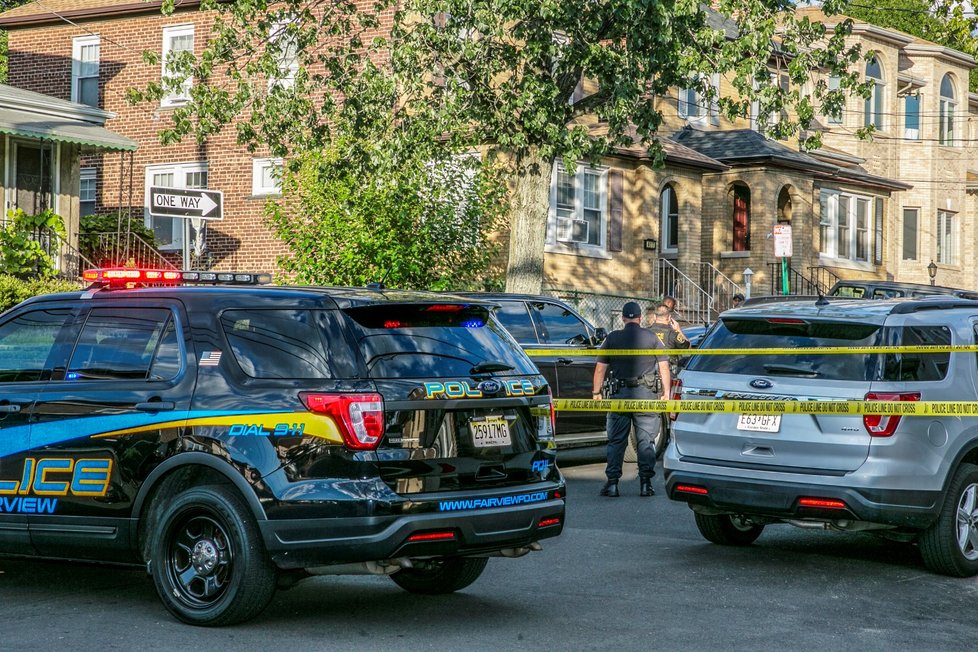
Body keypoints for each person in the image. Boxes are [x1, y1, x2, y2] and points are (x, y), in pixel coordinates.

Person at [592, 301, 672, 498]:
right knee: (645, 441)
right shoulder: (652, 338)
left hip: (619, 395)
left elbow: (600, 368)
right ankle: (645, 484)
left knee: (617, 441)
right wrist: (666, 393)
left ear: (623, 318)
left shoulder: (612, 338)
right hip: (646, 396)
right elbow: (664, 367)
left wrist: (596, 392)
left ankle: (612, 484)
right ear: (640, 318)